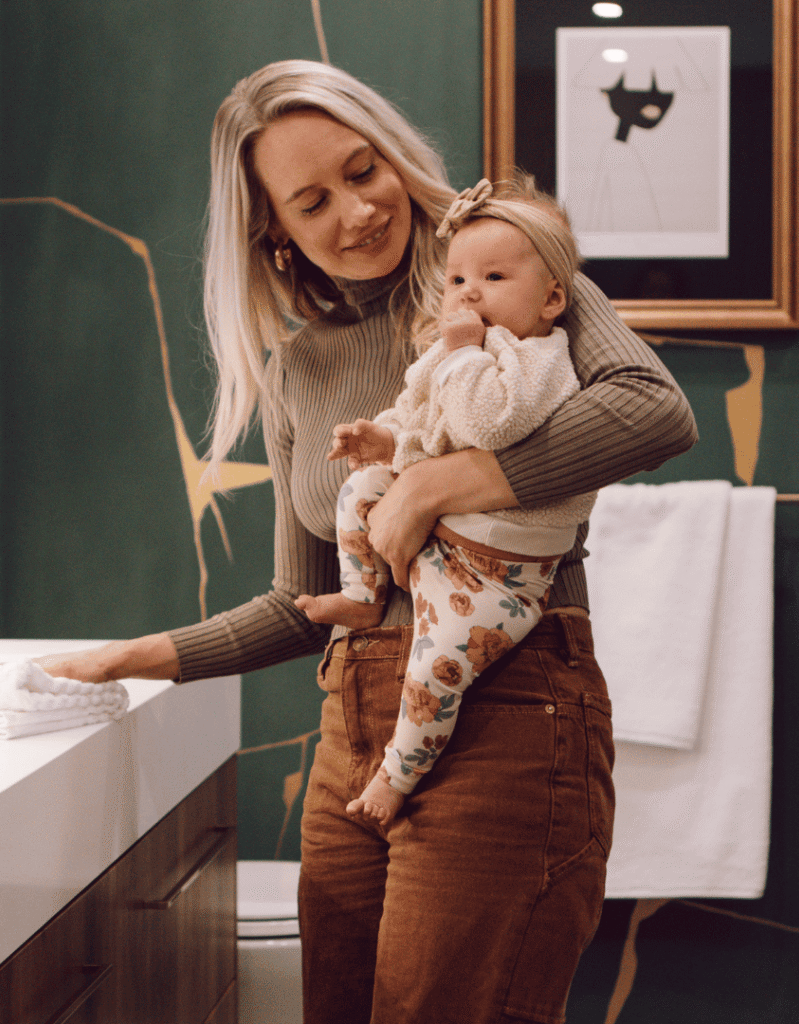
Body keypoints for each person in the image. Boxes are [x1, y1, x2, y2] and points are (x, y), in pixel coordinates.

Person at [38, 59, 697, 1024]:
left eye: (364, 169)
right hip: (353, 733)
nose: (358, 210)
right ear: (274, 235)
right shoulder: (299, 368)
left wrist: (440, 480)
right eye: (313, 201)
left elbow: (653, 410)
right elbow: (296, 602)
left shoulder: (498, 278)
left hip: (507, 712)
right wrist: (134, 660)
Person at [296, 174, 597, 831]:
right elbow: (426, 421)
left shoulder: (541, 359)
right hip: (439, 544)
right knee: (361, 488)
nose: (468, 295)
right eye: (457, 280)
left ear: (551, 298)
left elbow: (490, 425)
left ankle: (397, 775)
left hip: (499, 577)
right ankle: (361, 592)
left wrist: (462, 351)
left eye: (493, 278)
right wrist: (383, 438)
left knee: (437, 671)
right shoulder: (454, 352)